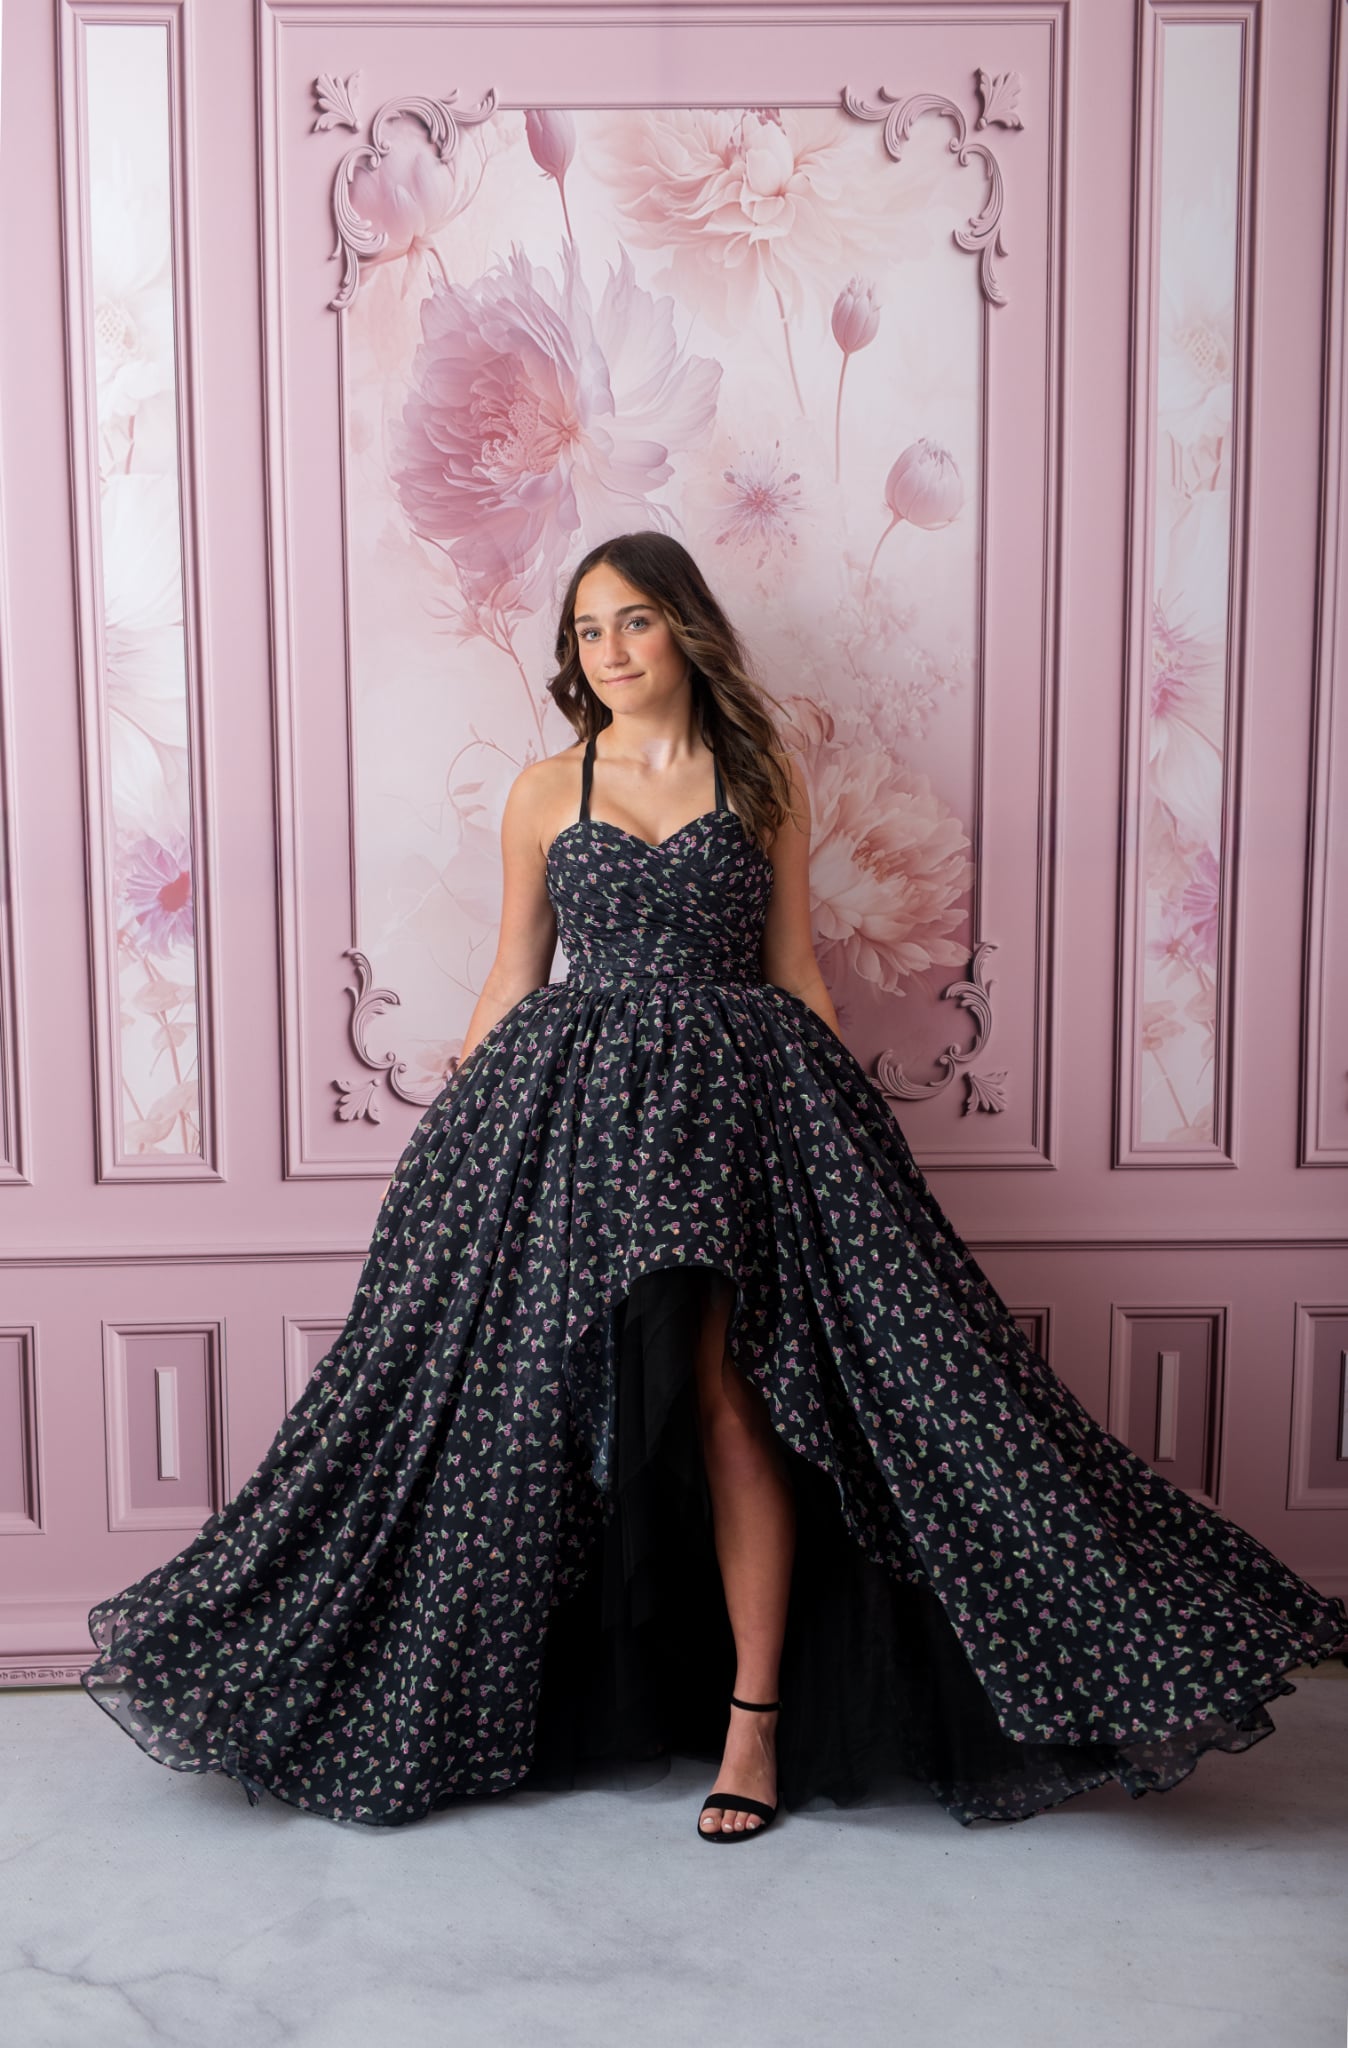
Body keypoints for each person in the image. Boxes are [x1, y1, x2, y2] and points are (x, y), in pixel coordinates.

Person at [82, 531, 1347, 1841]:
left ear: (685, 628)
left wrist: (851, 1147)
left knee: (751, 1400)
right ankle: (508, 1693)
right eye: (586, 631)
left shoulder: (761, 781)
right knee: (537, 1411)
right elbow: (515, 974)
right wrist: (460, 1140)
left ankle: (754, 1720)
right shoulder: (541, 793)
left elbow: (795, 973)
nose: (609, 651)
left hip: (743, 1117)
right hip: (578, 1124)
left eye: (632, 621)